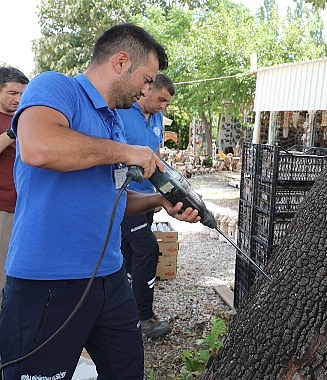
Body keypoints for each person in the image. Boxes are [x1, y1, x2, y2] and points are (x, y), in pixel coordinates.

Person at [0, 23, 200, 379]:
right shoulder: (56, 87)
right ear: (121, 62)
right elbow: (39, 146)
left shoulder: (114, 123)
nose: (147, 89)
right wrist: (127, 152)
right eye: (148, 78)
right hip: (48, 282)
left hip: (110, 279)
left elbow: (113, 201)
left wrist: (159, 199)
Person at [118, 73, 175, 338]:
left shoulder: (159, 119)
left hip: (147, 199)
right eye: (161, 99)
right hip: (123, 197)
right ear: (148, 89)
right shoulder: (121, 110)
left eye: (167, 102)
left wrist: (160, 191)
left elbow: (156, 157)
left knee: (129, 255)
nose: (164, 105)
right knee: (147, 250)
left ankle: (124, 312)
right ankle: (144, 316)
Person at [0, 67, 28, 304]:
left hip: (25, 206)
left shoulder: (26, 117)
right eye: (12, 93)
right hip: (3, 208)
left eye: (22, 94)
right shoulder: (14, 124)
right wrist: (11, 132)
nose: (18, 99)